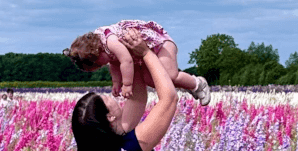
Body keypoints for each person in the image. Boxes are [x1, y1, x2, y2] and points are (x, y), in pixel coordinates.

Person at [63, 19, 210, 106]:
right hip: (147, 53)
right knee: (151, 80)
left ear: (96, 54)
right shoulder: (104, 50)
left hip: (160, 44)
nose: (102, 66)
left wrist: (127, 85)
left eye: (99, 65)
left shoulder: (110, 41)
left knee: (169, 76)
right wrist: (116, 83)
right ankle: (189, 86)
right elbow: (114, 64)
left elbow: (126, 61)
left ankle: (197, 83)